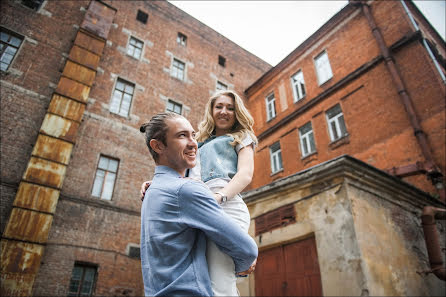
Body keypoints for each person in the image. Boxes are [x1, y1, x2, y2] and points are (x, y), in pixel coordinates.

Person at [141, 90, 257, 296]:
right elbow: (180, 174)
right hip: (198, 205)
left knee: (220, 281)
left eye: (230, 108)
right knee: (206, 277)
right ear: (211, 111)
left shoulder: (241, 138)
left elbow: (245, 175)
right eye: (219, 106)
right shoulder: (199, 143)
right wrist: (156, 181)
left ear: (237, 112)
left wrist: (220, 196)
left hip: (226, 204)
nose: (224, 111)